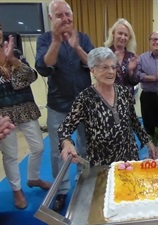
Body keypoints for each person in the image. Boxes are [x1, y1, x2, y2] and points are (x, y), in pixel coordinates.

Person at [35, 0, 94, 212]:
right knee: (58, 150)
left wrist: (76, 46)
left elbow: (92, 64)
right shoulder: (44, 39)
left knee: (86, 145)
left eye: (67, 14)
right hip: (58, 106)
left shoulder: (84, 38)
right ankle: (61, 191)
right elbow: (44, 67)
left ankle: (84, 183)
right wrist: (57, 41)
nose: (65, 19)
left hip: (84, 105)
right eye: (59, 15)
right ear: (51, 18)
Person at [58, 47, 158, 166]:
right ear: (93, 70)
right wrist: (67, 143)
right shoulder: (85, 98)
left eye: (113, 67)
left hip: (129, 159)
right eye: (104, 67)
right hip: (102, 164)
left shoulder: (124, 92)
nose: (111, 71)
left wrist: (148, 142)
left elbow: (134, 121)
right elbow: (64, 128)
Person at [0, 30, 51, 209]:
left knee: (38, 146)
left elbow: (32, 76)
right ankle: (16, 190)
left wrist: (13, 60)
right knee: (10, 155)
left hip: (25, 107)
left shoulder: (16, 53)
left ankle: (33, 178)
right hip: (3, 113)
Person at [104, 18, 139, 101]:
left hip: (127, 101)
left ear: (129, 38)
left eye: (126, 35)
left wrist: (130, 71)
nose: (123, 37)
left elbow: (135, 82)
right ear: (113, 34)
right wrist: (111, 64)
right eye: (120, 33)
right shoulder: (104, 53)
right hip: (108, 100)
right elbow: (100, 77)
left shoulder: (132, 56)